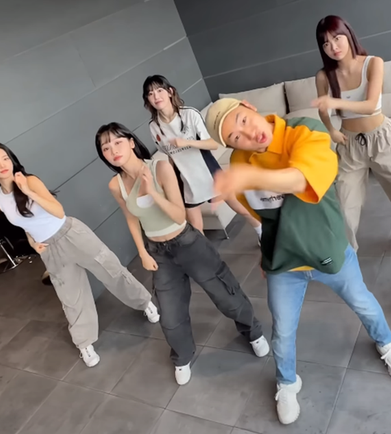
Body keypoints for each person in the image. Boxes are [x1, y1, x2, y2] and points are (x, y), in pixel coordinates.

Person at [204, 98, 391, 425]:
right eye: (235, 137)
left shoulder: (306, 131)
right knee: (283, 330)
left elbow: (300, 179)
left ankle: (387, 344)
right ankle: (287, 382)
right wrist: (266, 253)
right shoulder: (240, 162)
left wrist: (248, 177)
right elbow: (267, 218)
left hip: (328, 248)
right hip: (284, 264)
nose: (248, 135)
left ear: (250, 106)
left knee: (363, 303)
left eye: (243, 120)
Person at [95, 122, 268, 385]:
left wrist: (152, 192)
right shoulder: (115, 184)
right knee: (170, 314)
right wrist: (142, 252)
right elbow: (131, 217)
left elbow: (178, 214)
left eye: (117, 142)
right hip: (158, 252)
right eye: (106, 148)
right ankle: (182, 356)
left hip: (187, 242)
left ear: (130, 142)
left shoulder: (160, 167)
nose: (113, 150)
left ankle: (253, 331)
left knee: (226, 294)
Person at [0, 142, 160, 367]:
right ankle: (84, 342)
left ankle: (144, 303)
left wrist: (27, 191)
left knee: (110, 269)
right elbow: (25, 223)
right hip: (49, 249)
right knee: (70, 296)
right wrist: (33, 243)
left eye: (5, 158)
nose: (2, 165)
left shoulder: (30, 181)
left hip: (70, 233)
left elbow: (58, 211)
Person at [312, 15, 391, 250]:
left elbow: (371, 105)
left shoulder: (374, 63)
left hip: (383, 139)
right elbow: (323, 109)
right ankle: (348, 254)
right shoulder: (323, 76)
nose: (333, 47)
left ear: (348, 35)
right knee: (344, 205)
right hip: (349, 144)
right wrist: (331, 130)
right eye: (326, 43)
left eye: (337, 38)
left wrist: (335, 103)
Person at [143, 74, 262, 239]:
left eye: (159, 90)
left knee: (241, 209)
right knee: (196, 228)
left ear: (170, 92)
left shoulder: (190, 114)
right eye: (150, 94)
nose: (156, 96)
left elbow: (213, 144)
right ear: (148, 100)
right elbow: (170, 156)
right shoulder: (154, 127)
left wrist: (187, 143)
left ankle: (262, 232)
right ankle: (205, 254)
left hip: (207, 173)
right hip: (186, 181)